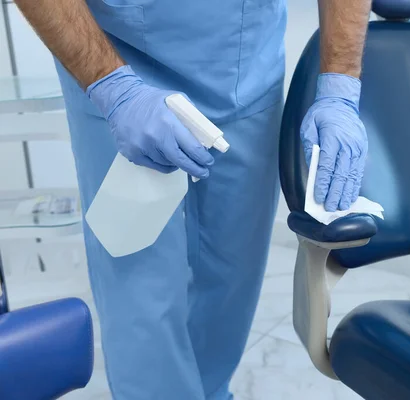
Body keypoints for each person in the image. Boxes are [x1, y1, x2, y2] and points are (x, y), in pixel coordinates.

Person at [14, 0, 371, 398]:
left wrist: (339, 87)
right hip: (115, 65)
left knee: (231, 280)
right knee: (142, 297)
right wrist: (112, 87)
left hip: (243, 67)